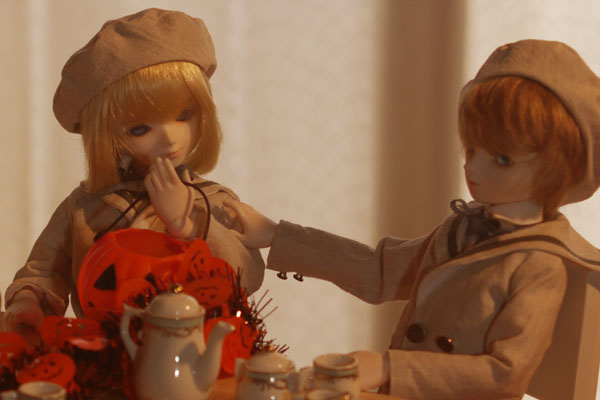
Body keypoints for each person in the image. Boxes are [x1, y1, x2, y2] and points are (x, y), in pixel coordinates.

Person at [227, 39, 600, 399]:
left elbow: (505, 375)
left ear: (559, 168)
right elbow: (379, 271)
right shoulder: (463, 226)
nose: (472, 167)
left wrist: (390, 368)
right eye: (471, 148)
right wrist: (277, 235)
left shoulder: (540, 266)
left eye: (501, 159)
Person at [3, 8, 264, 342]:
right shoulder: (85, 209)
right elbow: (44, 269)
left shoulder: (213, 202)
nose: (169, 138)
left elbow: (246, 275)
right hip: (107, 351)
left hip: (194, 352)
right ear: (106, 137)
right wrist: (29, 300)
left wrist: (188, 226)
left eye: (184, 115)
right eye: (140, 129)